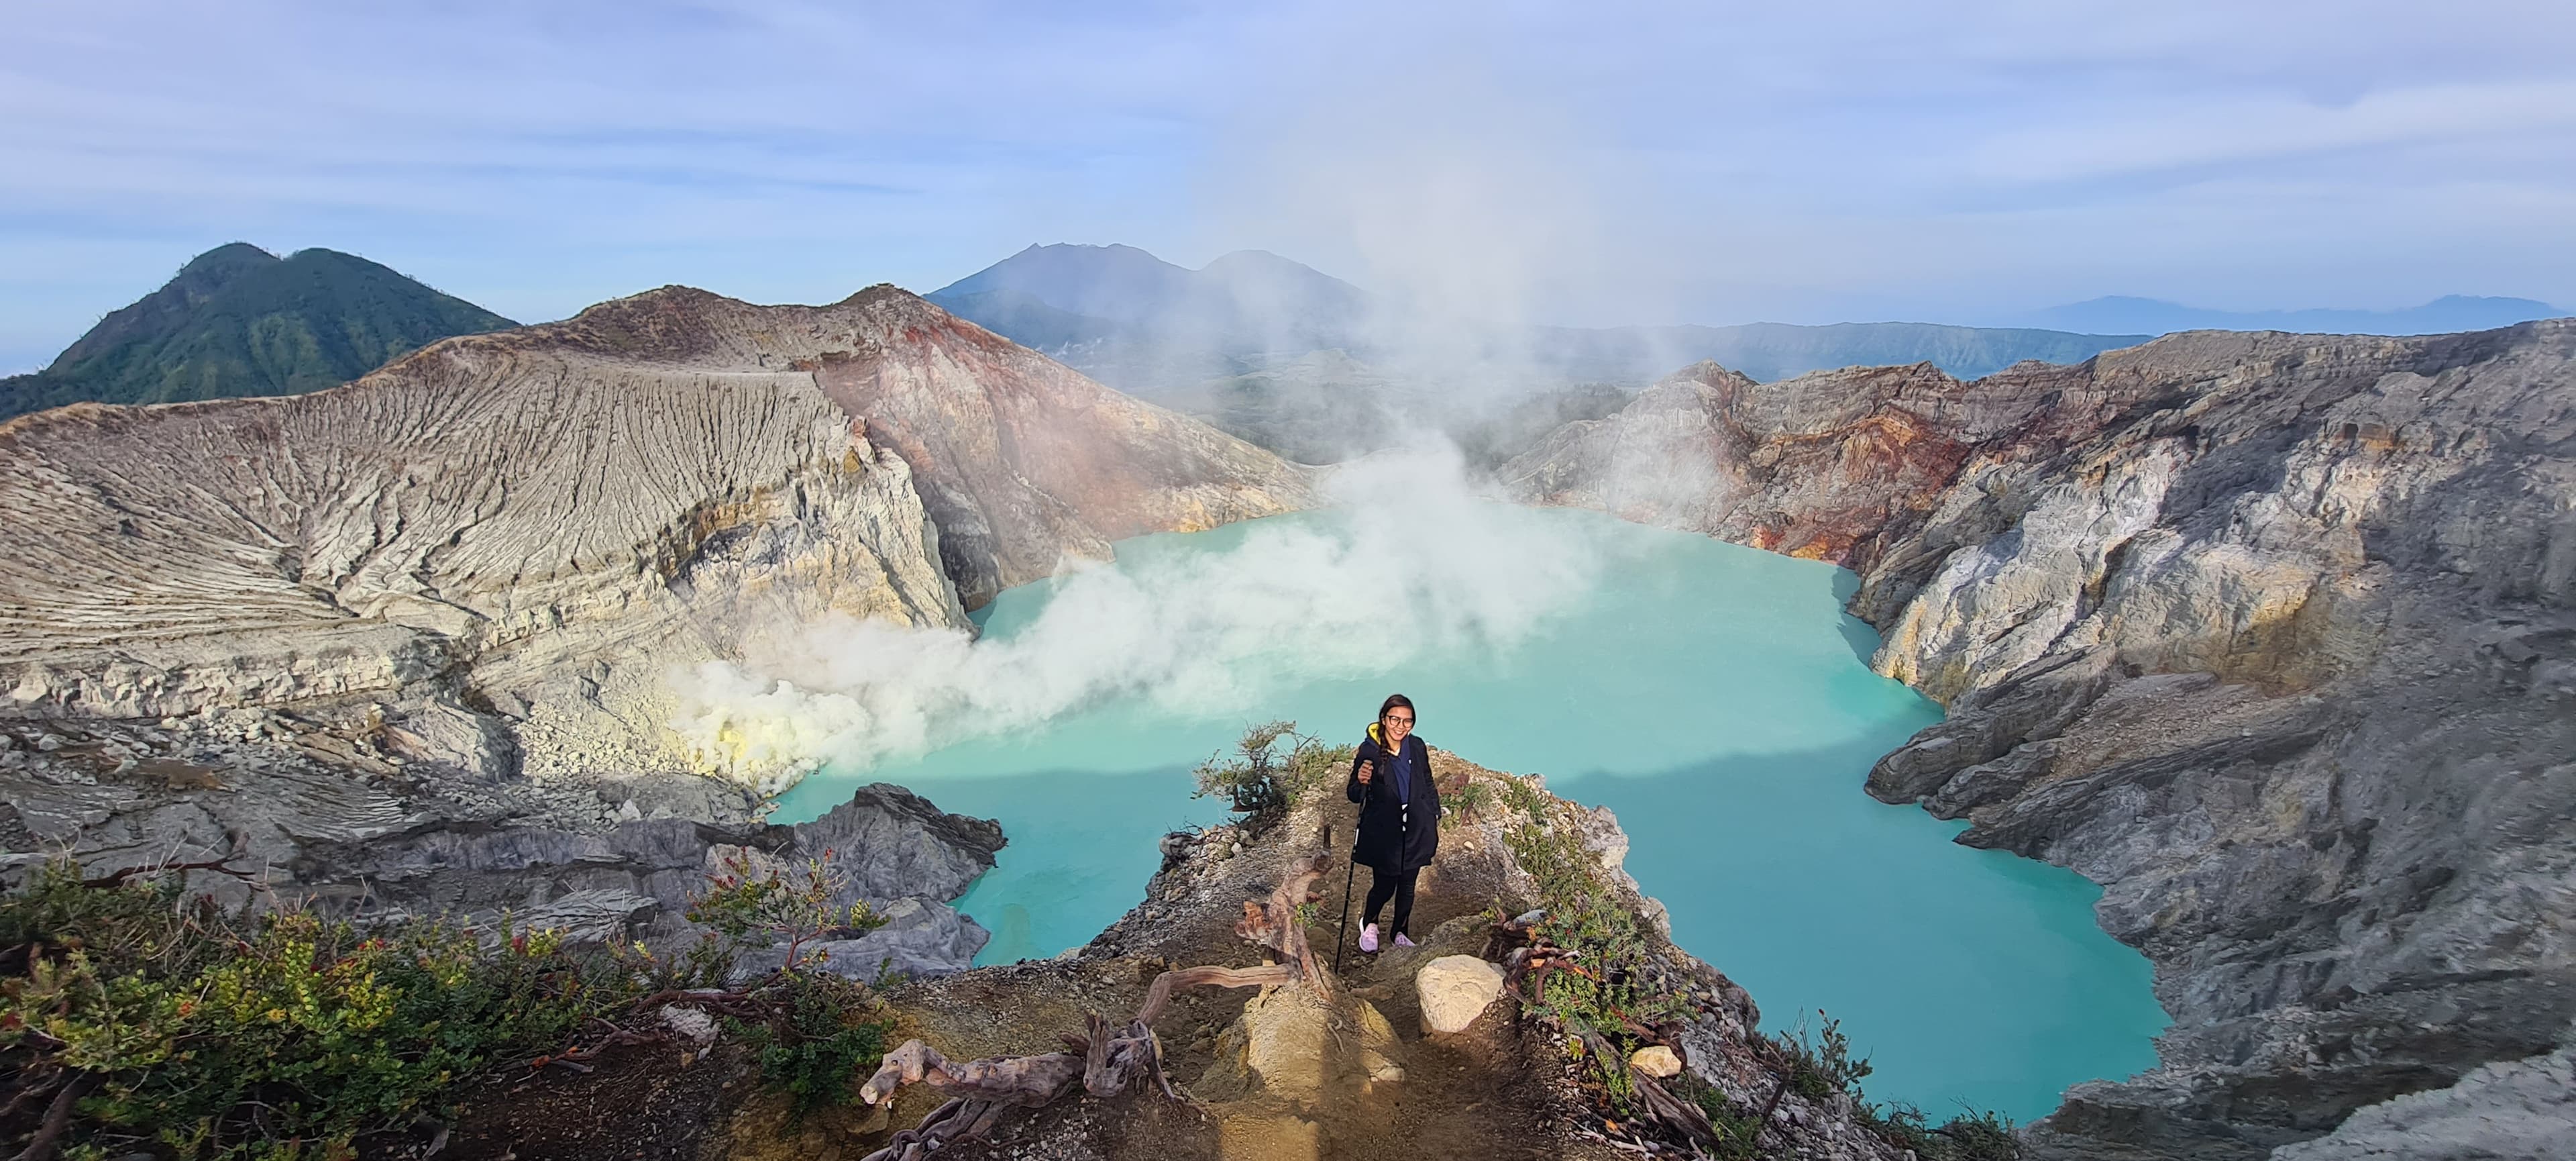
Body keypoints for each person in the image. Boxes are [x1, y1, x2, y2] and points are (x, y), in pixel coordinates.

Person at [1347, 693, 1439, 952]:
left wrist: (1434, 812)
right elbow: (1354, 794)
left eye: (1406, 722)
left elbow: (1427, 781)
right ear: (1384, 720)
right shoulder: (1369, 751)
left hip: (1417, 828)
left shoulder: (1418, 746)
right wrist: (1362, 781)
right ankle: (1370, 922)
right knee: (1386, 884)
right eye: (1395, 720)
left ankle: (1400, 931)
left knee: (1408, 885)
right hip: (1386, 833)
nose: (1400, 726)